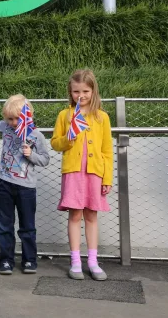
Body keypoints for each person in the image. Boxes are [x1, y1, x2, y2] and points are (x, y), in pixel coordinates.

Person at [0, 95, 50, 275]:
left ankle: (29, 260)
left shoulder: (36, 135)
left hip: (27, 188)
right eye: (10, 119)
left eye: (18, 118)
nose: (14, 122)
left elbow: (45, 159)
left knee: (27, 226)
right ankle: (6, 260)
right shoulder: (6, 127)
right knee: (4, 224)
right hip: (5, 183)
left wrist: (30, 154)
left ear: (28, 116)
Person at [51, 69, 113, 281]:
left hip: (94, 173)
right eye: (76, 91)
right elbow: (55, 143)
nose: (81, 95)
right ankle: (75, 261)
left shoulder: (102, 117)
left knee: (91, 215)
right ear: (70, 91)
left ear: (93, 90)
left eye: (85, 91)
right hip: (74, 173)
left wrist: (107, 178)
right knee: (75, 215)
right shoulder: (65, 115)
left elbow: (107, 151)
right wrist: (69, 138)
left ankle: (93, 262)